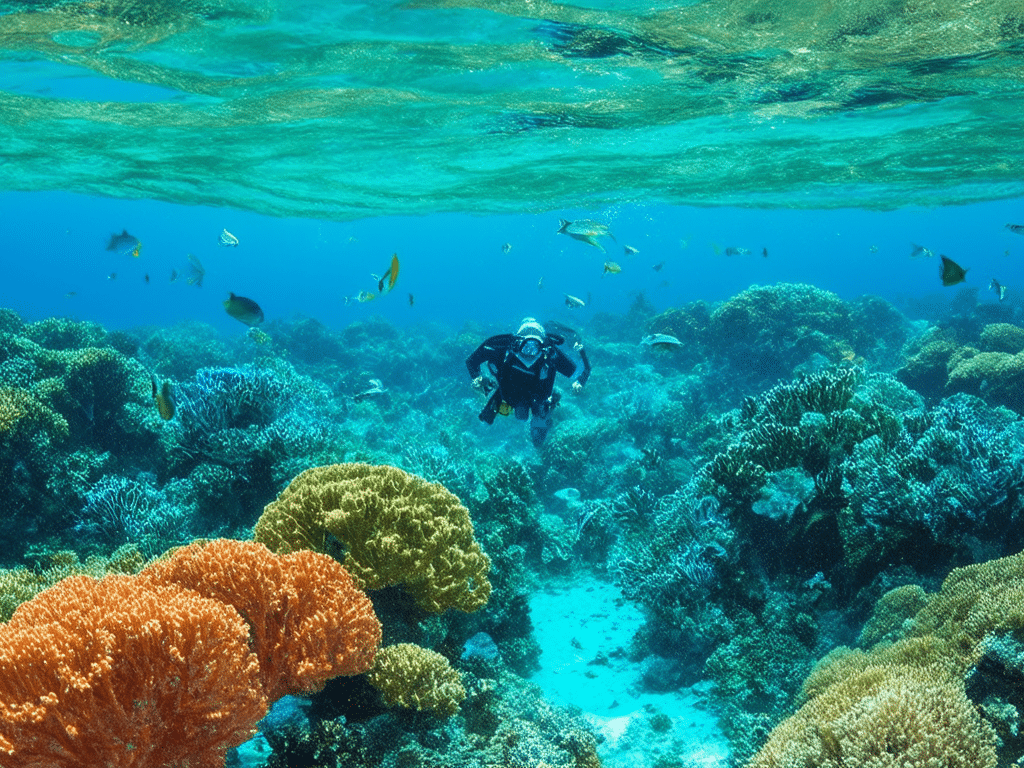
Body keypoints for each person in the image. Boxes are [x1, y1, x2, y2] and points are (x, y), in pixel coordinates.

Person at [466, 317, 592, 446]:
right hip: (511, 394)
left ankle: (551, 403)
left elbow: (581, 370)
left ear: (542, 343)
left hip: (535, 395)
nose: (530, 350)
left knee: (536, 431)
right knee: (518, 416)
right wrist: (478, 378)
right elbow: (471, 361)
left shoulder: (550, 353)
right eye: (526, 340)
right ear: (517, 340)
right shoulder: (504, 346)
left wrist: (581, 380)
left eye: (535, 342)